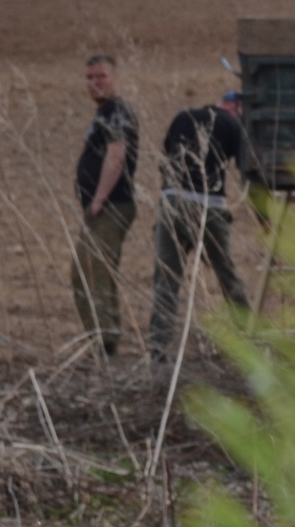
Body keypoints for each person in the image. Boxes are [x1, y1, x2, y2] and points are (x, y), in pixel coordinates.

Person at [148, 87, 253, 362]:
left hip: (172, 203)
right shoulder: (234, 124)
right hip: (210, 208)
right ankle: (249, 341)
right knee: (227, 276)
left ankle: (158, 350)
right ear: (238, 109)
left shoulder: (183, 116)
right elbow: (247, 172)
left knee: (166, 280)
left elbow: (165, 161)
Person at [71, 54, 140, 358]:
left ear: (115, 78)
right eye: (90, 78)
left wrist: (99, 199)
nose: (95, 83)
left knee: (89, 269)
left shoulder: (118, 112)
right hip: (102, 206)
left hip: (112, 205)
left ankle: (104, 341)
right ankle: (105, 336)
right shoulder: (104, 113)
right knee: (97, 269)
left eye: (101, 76)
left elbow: (116, 156)